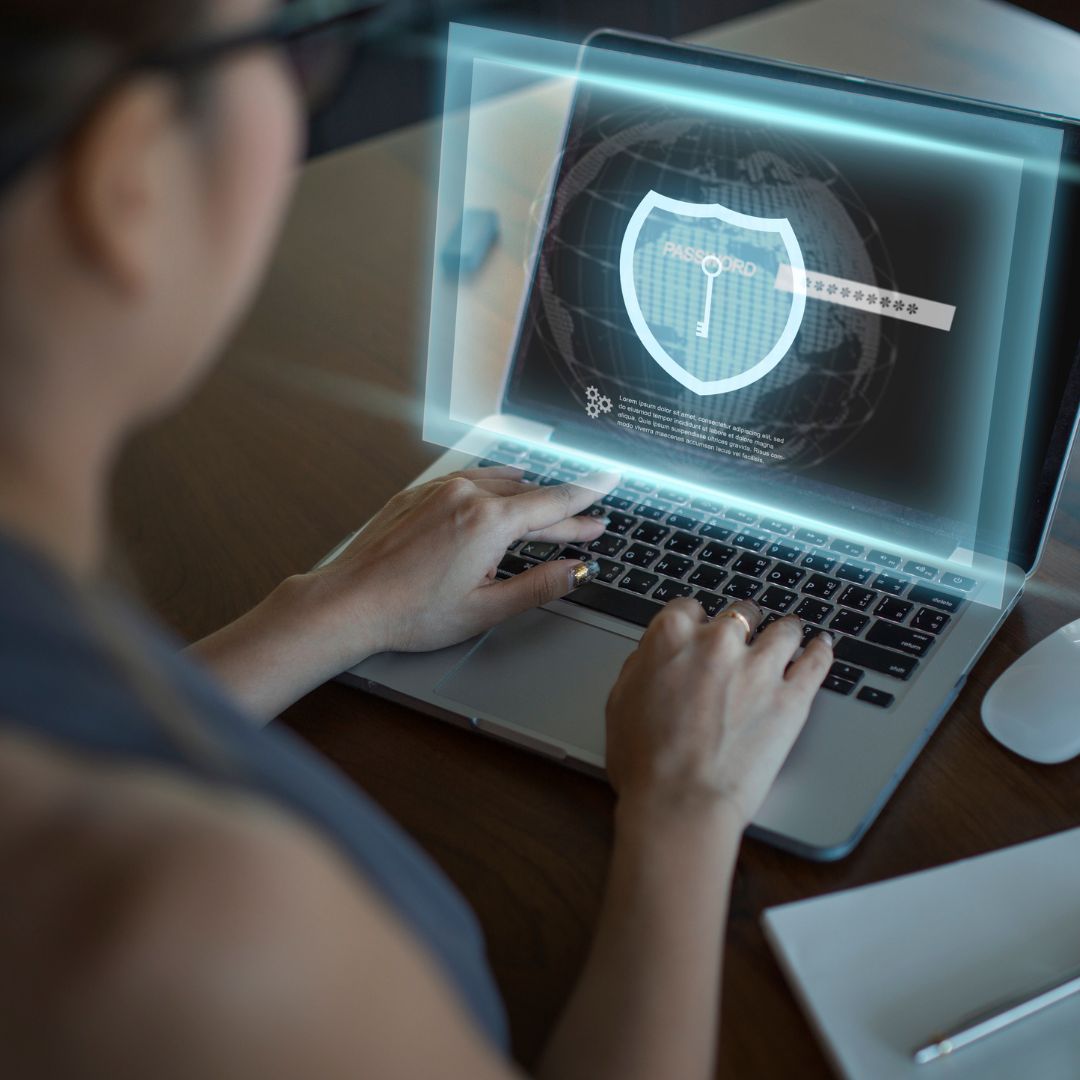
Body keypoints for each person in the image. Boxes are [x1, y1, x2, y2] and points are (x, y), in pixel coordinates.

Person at [0, 1, 835, 1077]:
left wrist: (328, 611)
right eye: (297, 45)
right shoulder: (188, 942)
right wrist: (686, 814)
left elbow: (88, 731)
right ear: (128, 176)